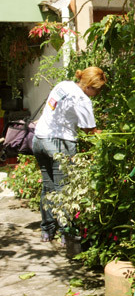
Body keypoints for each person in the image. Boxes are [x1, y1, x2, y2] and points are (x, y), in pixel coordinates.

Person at [33, 66, 107, 243]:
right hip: (60, 144)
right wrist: (106, 134)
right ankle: (67, 234)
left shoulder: (63, 85)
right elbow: (89, 129)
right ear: (90, 86)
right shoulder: (82, 99)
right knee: (64, 189)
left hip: (39, 139)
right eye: (98, 89)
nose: (98, 93)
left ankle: (47, 231)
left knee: (48, 187)